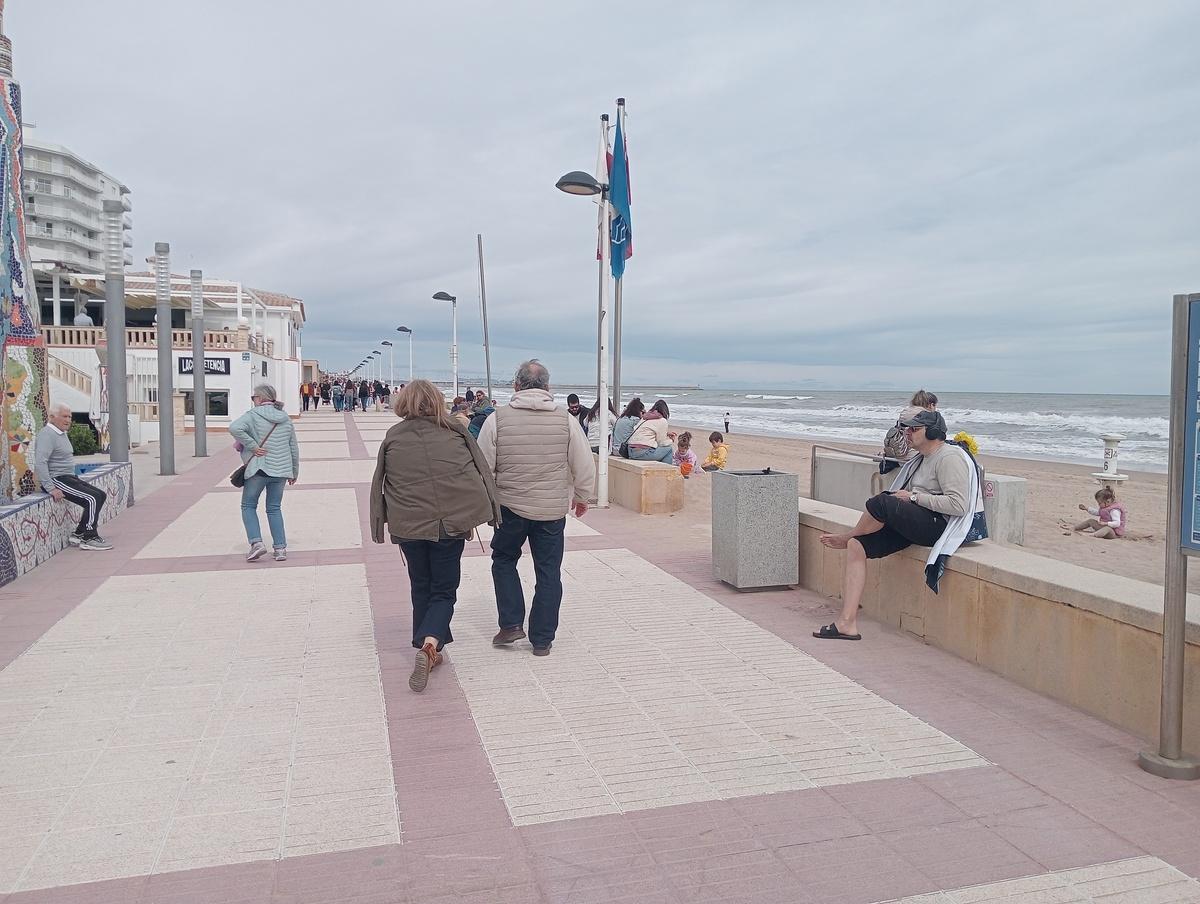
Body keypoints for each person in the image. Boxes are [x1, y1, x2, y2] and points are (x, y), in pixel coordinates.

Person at [370, 380, 501, 692]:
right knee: (443, 590)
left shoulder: (393, 436)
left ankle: (429, 646)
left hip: (409, 526)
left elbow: (379, 483)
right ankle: (430, 644)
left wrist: (379, 525)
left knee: (421, 585)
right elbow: (479, 471)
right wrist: (492, 512)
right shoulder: (455, 431)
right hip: (448, 526)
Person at [814, 409, 985, 641]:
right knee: (857, 546)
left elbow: (958, 505)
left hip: (937, 526)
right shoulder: (921, 459)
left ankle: (847, 536)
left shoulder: (948, 458)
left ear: (933, 432)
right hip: (916, 521)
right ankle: (847, 622)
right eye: (907, 428)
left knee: (882, 502)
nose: (907, 433)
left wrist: (913, 497)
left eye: (914, 429)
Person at [477, 360, 596, 656]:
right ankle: (542, 639)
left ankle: (511, 624)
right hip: (551, 510)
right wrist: (582, 497)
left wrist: (489, 500)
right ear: (547, 387)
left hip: (510, 507)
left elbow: (482, 467)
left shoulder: (497, 419)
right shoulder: (565, 419)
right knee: (548, 572)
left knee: (504, 560)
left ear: (516, 387)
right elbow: (583, 464)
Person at [230, 383, 300, 563]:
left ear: (260, 399)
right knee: (274, 508)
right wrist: (294, 471)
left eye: (254, 397)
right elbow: (293, 446)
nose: (253, 400)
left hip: (259, 470)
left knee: (248, 505)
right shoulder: (285, 418)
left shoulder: (252, 415)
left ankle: (256, 543)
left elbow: (235, 428)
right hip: (281, 471)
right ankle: (280, 548)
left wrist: (253, 447)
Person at [35, 402, 111, 550]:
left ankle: (79, 534)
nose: (68, 420)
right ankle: (89, 537)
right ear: (52, 417)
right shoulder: (47, 434)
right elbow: (40, 462)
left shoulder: (60, 433)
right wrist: (50, 488)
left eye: (70, 416)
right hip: (57, 479)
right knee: (92, 498)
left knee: (100, 495)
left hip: (68, 477)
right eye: (64, 416)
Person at [881, 390, 939, 474]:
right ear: (930, 404)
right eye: (935, 405)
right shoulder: (925, 415)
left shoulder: (904, 413)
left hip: (899, 456)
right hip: (913, 459)